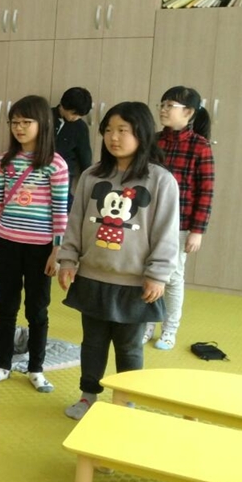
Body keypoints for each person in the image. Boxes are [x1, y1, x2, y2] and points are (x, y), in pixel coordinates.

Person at [58, 102, 179, 421]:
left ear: (141, 133)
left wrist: (158, 275)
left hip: (135, 283)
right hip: (93, 277)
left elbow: (167, 232)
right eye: (109, 130)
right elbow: (75, 221)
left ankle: (127, 403)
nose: (114, 137)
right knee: (93, 343)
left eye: (123, 130)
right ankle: (87, 397)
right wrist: (67, 259)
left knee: (129, 347)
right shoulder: (92, 175)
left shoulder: (160, 180)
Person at [0, 96, 69, 393]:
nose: (19, 127)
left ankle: (36, 369)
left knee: (37, 310)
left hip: (41, 248)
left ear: (43, 124)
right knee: (7, 307)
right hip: (7, 242)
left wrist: (57, 251)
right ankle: (2, 365)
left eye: (26, 122)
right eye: (14, 122)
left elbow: (60, 212)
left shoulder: (56, 164)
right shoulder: (4, 161)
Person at [144, 86, 215, 350]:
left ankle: (169, 329)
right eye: (162, 104)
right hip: (150, 220)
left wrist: (197, 231)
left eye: (170, 105)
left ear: (188, 112)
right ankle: (147, 325)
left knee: (172, 278)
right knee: (147, 273)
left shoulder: (200, 146)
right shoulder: (153, 141)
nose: (163, 109)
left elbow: (206, 191)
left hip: (181, 224)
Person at [53, 87, 93, 192]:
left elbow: (85, 157)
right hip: (39, 169)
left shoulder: (80, 127)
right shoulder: (45, 116)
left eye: (80, 115)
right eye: (74, 113)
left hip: (64, 174)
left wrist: (89, 181)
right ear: (63, 105)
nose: (76, 118)